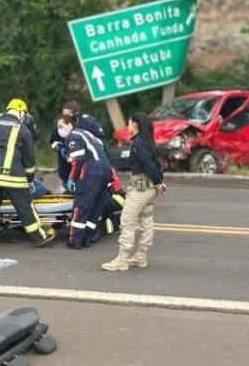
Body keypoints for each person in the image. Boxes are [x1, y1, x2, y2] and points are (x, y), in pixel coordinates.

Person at [0, 99, 54, 247]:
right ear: (21, 113)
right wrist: (30, 178)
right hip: (13, 177)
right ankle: (39, 237)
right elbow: (29, 159)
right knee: (25, 206)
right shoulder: (23, 129)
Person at [103, 113, 167, 271]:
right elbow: (155, 163)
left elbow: (147, 163)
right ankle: (141, 255)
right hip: (149, 188)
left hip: (141, 189)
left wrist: (159, 182)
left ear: (136, 125)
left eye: (129, 123)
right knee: (146, 220)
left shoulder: (139, 143)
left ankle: (122, 259)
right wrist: (159, 181)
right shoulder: (147, 141)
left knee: (127, 220)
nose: (128, 125)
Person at [59, 114, 111, 249]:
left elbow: (79, 159)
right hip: (106, 168)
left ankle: (75, 241)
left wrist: (72, 177)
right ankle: (86, 238)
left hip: (92, 170)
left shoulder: (72, 136)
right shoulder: (86, 133)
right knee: (95, 206)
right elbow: (101, 146)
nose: (59, 129)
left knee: (81, 205)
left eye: (61, 126)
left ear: (70, 125)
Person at [49, 101, 106, 187]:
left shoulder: (90, 123)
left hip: (87, 162)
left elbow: (101, 141)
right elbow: (53, 141)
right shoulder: (60, 123)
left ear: (76, 114)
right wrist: (60, 149)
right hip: (67, 164)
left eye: (67, 115)